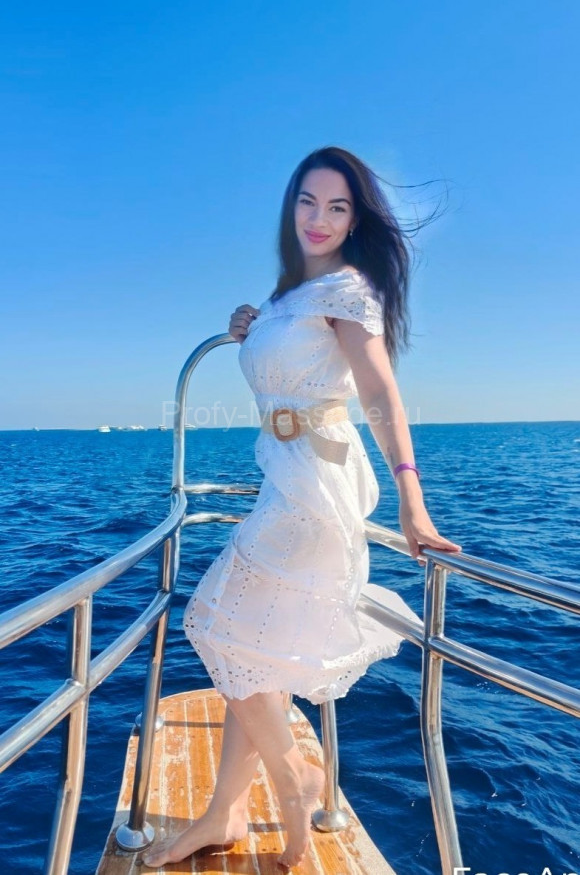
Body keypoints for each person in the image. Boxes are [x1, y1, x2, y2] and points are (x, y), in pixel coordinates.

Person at [143, 146, 461, 870]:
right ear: (291, 206)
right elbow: (289, 359)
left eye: (338, 207)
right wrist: (250, 326)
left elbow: (379, 392)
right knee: (254, 657)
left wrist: (412, 500)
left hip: (318, 485)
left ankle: (293, 786)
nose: (319, 218)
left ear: (355, 220)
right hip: (282, 478)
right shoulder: (291, 294)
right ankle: (224, 813)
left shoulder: (350, 290)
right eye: (308, 202)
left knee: (213, 621)